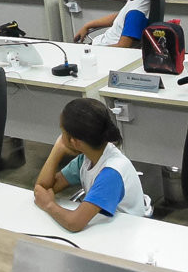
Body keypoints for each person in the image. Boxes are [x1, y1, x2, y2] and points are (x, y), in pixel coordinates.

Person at [33, 98, 148, 231]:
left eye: (62, 132)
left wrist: (49, 205)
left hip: (126, 233)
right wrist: (57, 150)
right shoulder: (87, 158)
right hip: (107, 228)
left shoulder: (111, 173)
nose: (60, 137)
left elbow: (74, 223)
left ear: (75, 142)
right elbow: (43, 188)